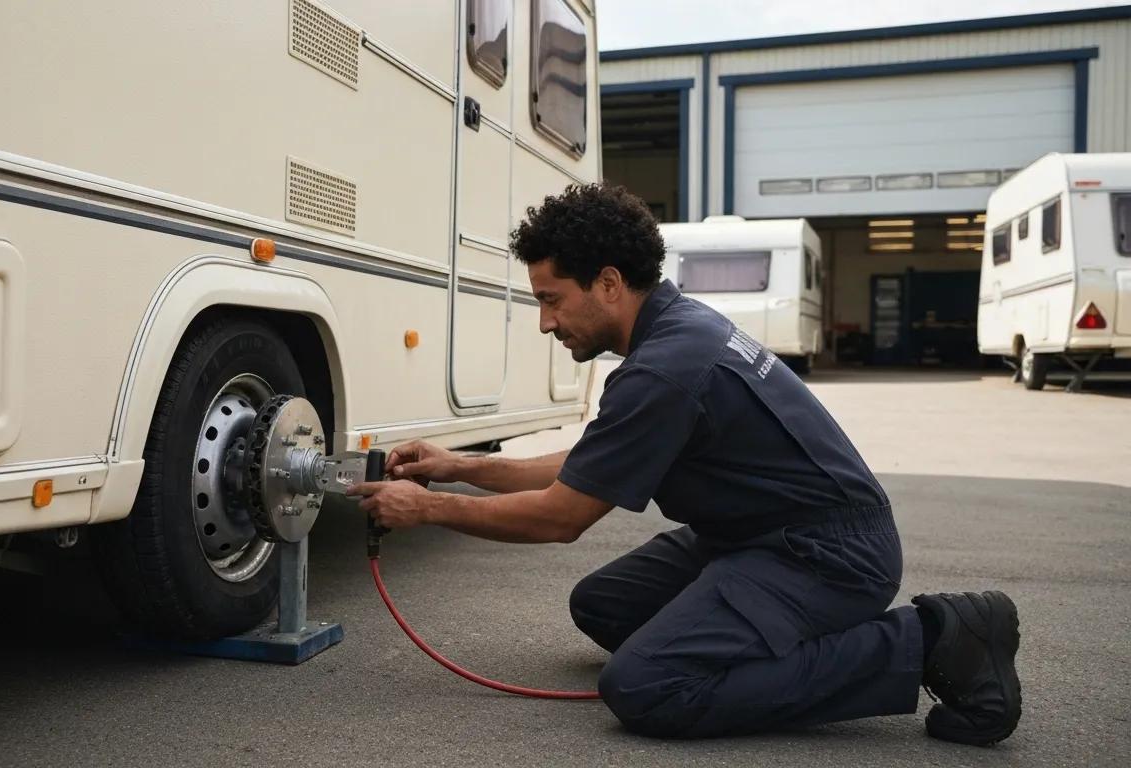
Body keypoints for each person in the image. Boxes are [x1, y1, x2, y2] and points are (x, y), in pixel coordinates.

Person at [348, 183, 1021, 745]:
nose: (547, 324)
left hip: (826, 555)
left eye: (552, 299)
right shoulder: (675, 330)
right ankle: (763, 633)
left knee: (645, 686)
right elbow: (588, 464)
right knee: (604, 607)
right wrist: (453, 466)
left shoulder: (668, 368)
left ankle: (932, 638)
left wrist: (428, 508)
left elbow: (561, 517)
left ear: (607, 284)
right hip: (759, 539)